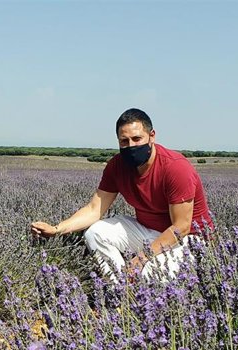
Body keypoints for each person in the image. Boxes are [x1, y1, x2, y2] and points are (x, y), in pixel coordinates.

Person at [31, 108, 213, 281]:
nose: (131, 146)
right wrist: (56, 229)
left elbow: (180, 227)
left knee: (152, 272)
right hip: (147, 231)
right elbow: (94, 209)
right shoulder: (117, 166)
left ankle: (140, 289)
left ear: (152, 136)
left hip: (189, 239)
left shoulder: (175, 167)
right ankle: (120, 291)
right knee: (95, 233)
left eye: (137, 139)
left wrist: (142, 258)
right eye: (124, 141)